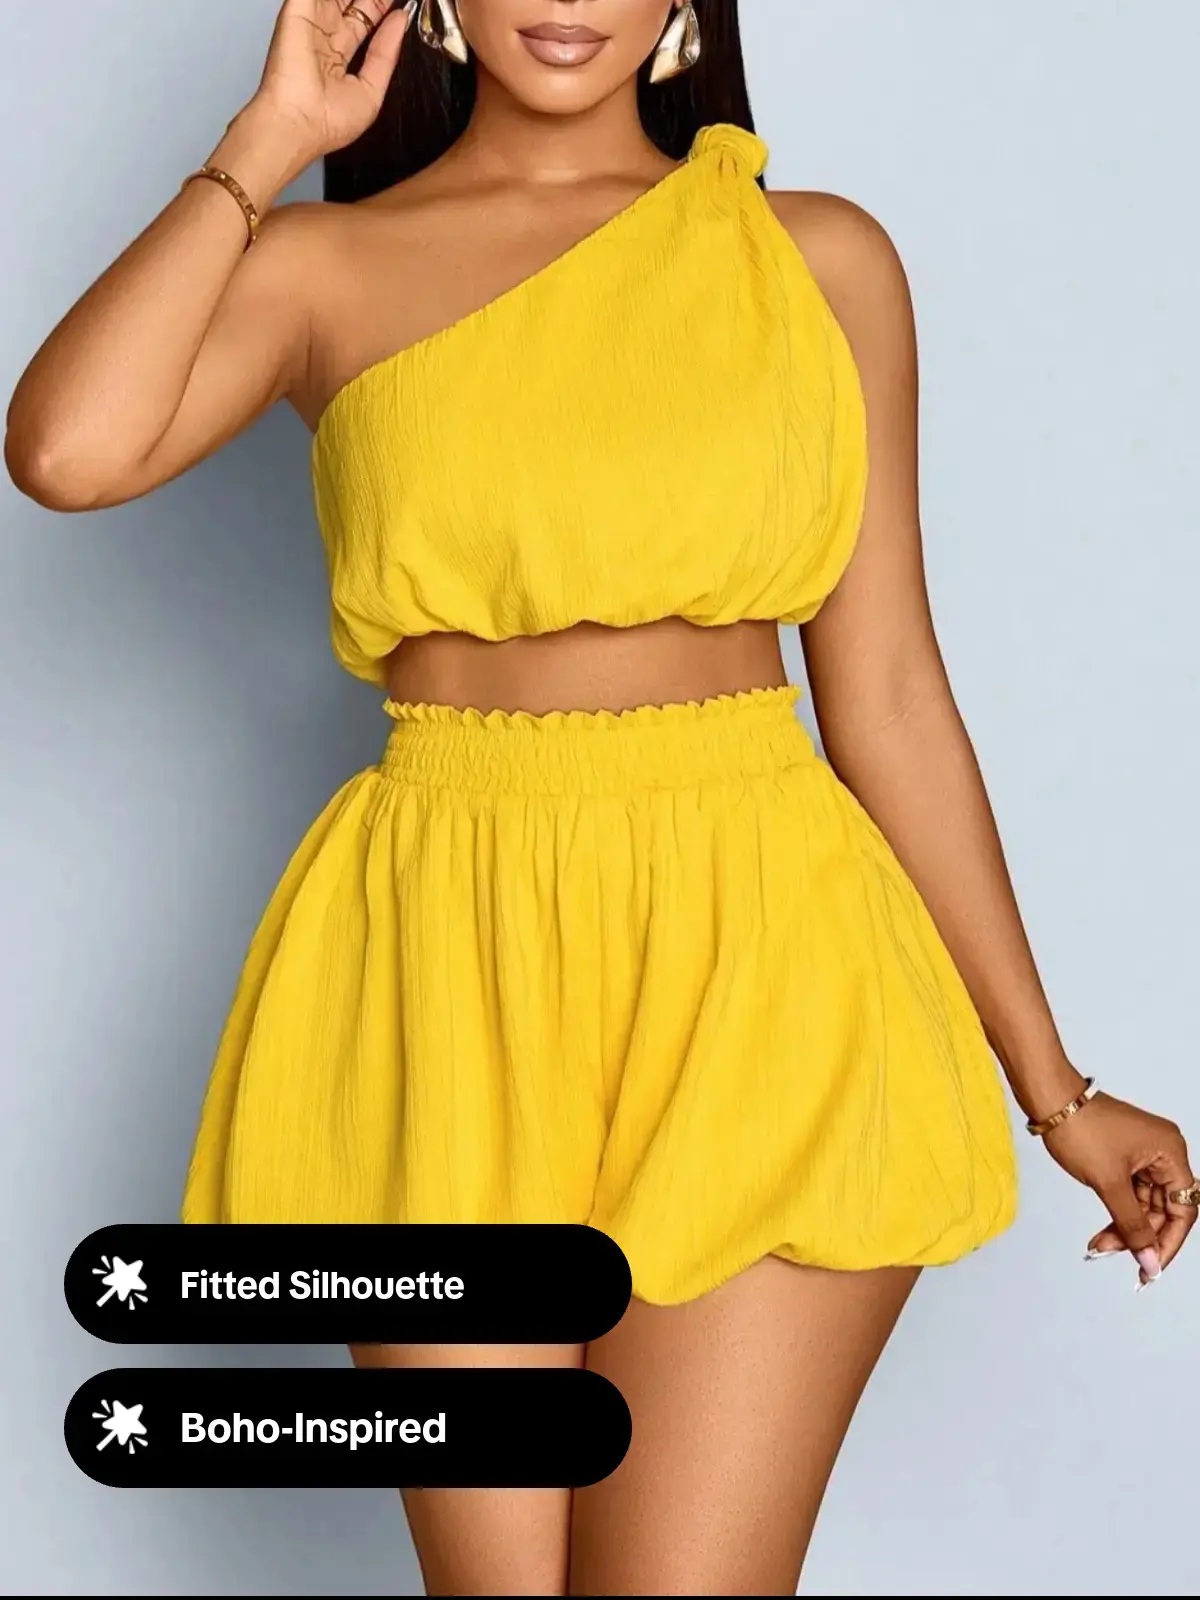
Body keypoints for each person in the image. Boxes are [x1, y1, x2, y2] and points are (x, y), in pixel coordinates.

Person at [7, 2, 1195, 1594]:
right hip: (446, 966)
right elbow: (67, 453)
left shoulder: (818, 259)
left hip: (764, 950)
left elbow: (891, 695)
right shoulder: (320, 267)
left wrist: (1057, 1088)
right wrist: (270, 138)